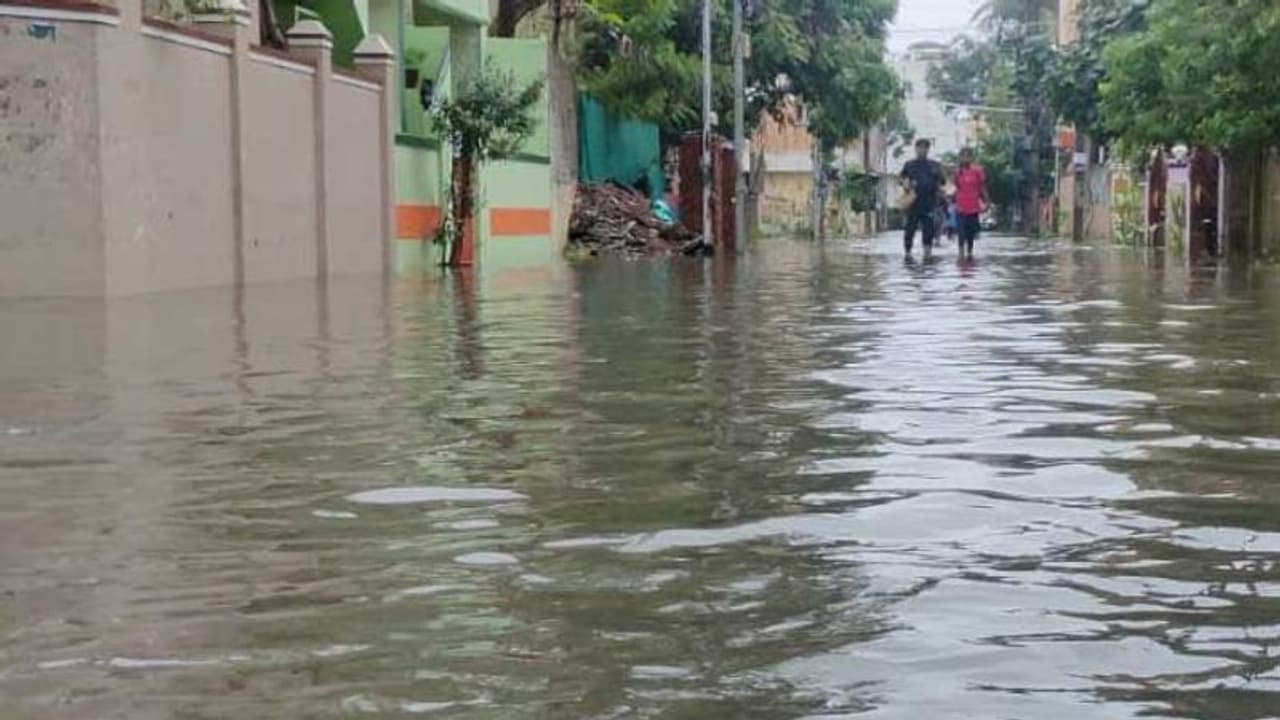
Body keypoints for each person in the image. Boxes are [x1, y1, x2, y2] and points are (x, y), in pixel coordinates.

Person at [899, 139, 946, 256]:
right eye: (920, 147)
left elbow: (943, 181)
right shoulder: (909, 165)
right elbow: (901, 178)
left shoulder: (935, 165)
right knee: (910, 230)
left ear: (928, 150)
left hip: (929, 204)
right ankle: (908, 253)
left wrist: (938, 184)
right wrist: (905, 183)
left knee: (928, 231)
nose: (922, 150)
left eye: (925, 148)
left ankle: (927, 254)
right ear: (916, 149)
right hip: (912, 203)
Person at [953, 147, 989, 259]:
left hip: (973, 206)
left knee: (970, 232)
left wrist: (987, 201)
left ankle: (969, 251)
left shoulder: (978, 171)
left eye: (968, 156)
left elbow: (982, 188)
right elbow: (957, 187)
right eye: (963, 156)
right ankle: (960, 252)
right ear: (960, 158)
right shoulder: (957, 172)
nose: (965, 158)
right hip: (960, 206)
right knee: (961, 230)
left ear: (971, 157)